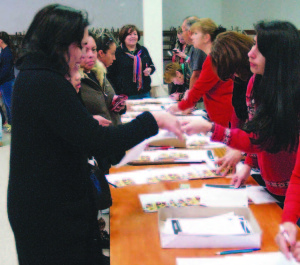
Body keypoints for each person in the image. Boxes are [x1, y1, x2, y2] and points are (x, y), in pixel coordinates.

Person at [8, 4, 182, 265]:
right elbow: (99, 142)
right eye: (81, 45)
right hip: (49, 211)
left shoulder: (37, 75)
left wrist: (83, 121)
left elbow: (54, 130)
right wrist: (154, 120)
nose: (83, 55)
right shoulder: (46, 81)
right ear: (62, 43)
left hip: (51, 202)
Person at [181, 21, 299, 203]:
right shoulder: (255, 82)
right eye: (253, 44)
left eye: (259, 49)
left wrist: (211, 129)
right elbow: (255, 129)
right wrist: (249, 164)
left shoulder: (291, 93)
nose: (250, 53)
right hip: (271, 183)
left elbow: (260, 139)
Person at [169, 18, 233, 128]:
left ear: (206, 37)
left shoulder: (213, 59)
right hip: (220, 113)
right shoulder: (214, 57)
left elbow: (198, 89)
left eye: (195, 33)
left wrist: (174, 109)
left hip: (223, 114)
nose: (191, 36)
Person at [209, 31, 253, 175]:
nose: (234, 76)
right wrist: (232, 143)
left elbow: (260, 123)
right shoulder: (240, 78)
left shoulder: (258, 77)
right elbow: (238, 114)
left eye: (235, 71)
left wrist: (240, 148)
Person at [107, 24, 155, 99]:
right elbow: (110, 74)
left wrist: (150, 70)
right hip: (125, 94)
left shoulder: (143, 50)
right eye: (129, 35)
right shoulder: (117, 52)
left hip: (144, 92)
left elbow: (152, 66)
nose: (133, 37)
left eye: (135, 34)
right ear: (123, 37)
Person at [181, 16, 206, 90]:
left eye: (183, 31)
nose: (183, 34)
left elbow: (196, 75)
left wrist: (190, 99)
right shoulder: (193, 47)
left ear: (190, 32)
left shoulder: (198, 47)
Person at [0, 31, 16, 132]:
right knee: (6, 104)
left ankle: (14, 125)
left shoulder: (7, 52)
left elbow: (5, 69)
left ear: (1, 40)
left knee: (10, 104)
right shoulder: (3, 51)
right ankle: (10, 124)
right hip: (4, 82)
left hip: (7, 82)